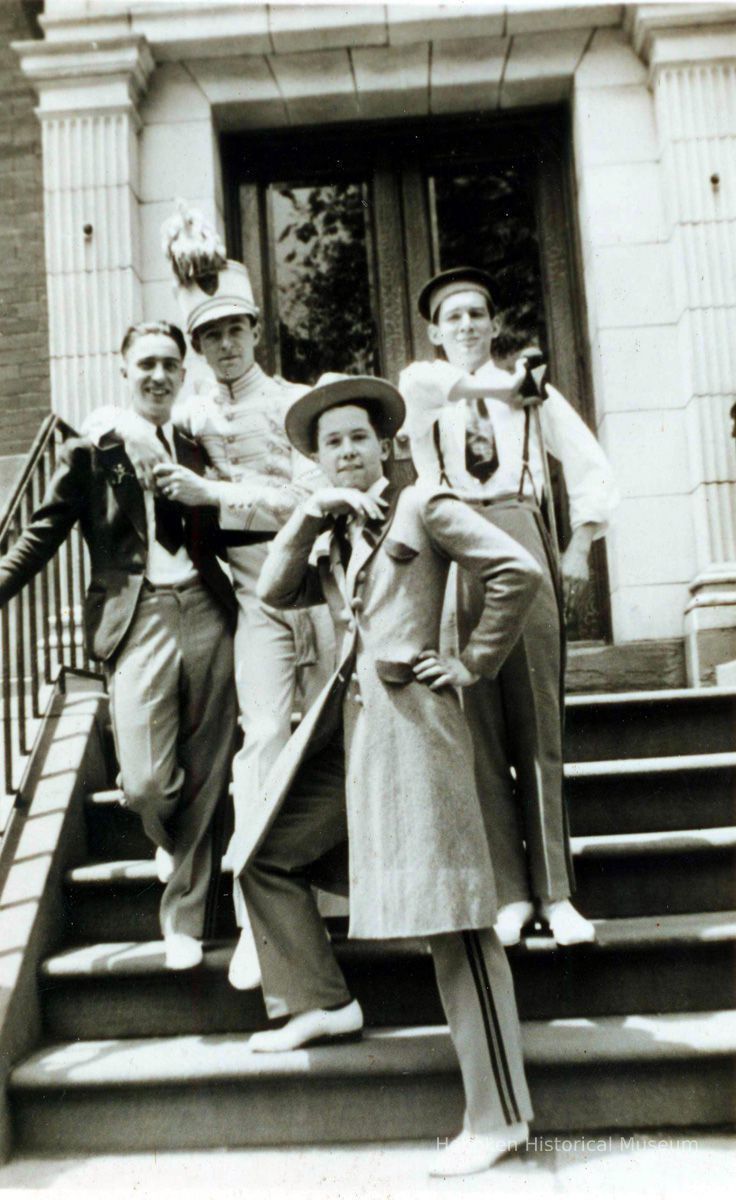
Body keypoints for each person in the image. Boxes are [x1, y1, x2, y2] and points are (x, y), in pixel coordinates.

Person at [231, 372, 544, 1177]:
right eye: (330, 443)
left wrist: (471, 663)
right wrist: (310, 513)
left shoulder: (422, 505)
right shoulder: (332, 528)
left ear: (384, 447)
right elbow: (274, 591)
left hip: (417, 733)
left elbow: (517, 571)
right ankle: (321, 1002)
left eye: (357, 439)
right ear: (319, 459)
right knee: (264, 854)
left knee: (457, 927)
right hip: (354, 735)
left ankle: (499, 1115)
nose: (345, 452)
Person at [84, 208, 336, 984]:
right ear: (199, 348)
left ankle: (337, 887)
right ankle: (263, 919)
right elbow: (135, 423)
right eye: (210, 336)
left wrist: (212, 489)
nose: (225, 345)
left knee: (335, 735)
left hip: (316, 589)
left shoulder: (297, 403)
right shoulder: (191, 413)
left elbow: (310, 494)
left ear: (257, 329)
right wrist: (105, 423)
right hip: (253, 601)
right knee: (259, 740)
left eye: (236, 330)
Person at [0, 322, 238, 970]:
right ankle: (164, 833)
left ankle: (184, 921)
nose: (158, 375)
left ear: (182, 374)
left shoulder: (196, 446)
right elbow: (41, 534)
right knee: (144, 782)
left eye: (169, 364)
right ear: (123, 371)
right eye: (145, 365)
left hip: (209, 610)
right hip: (139, 621)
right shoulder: (91, 451)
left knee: (210, 768)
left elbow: (232, 522)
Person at [399, 267, 619, 947]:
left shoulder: (534, 394)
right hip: (450, 539)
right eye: (452, 317)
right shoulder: (423, 382)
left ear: (493, 325)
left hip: (522, 530)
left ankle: (555, 892)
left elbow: (588, 463)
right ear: (435, 332)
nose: (465, 325)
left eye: (476, 315)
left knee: (538, 727)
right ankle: (509, 892)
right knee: (478, 727)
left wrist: (580, 544)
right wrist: (520, 379)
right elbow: (438, 386)